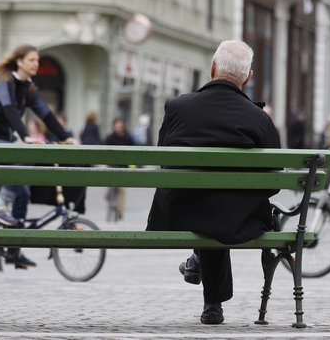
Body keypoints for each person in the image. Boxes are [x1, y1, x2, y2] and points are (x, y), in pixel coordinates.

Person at [146, 40, 281, 324]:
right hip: (234, 218)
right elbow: (274, 181)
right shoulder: (259, 119)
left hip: (177, 212)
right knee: (220, 204)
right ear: (247, 78)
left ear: (212, 68)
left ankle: (207, 289)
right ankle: (211, 300)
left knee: (206, 202)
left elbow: (163, 162)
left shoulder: (177, 107)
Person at [0, 44, 76, 268]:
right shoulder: (4, 79)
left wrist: (65, 136)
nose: (36, 64)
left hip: (3, 143)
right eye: (31, 60)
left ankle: (13, 252)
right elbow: (9, 109)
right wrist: (26, 136)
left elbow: (46, 114)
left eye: (37, 60)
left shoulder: (28, 87)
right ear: (19, 61)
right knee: (21, 162)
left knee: (22, 192)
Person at [104, 117, 134, 221]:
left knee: (121, 190)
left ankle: (120, 211)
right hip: (112, 167)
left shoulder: (128, 138)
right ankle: (109, 197)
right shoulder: (110, 138)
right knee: (110, 188)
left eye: (120, 126)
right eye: (116, 126)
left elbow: (133, 152)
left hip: (123, 168)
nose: (118, 128)